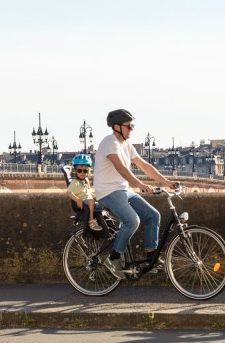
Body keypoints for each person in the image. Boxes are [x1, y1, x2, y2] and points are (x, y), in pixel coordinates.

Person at [94, 109, 177, 279]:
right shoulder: (109, 143)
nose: (131, 129)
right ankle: (114, 257)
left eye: (132, 126)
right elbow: (121, 169)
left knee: (153, 215)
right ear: (117, 127)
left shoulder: (126, 145)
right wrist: (139, 184)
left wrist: (167, 183)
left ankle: (150, 257)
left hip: (123, 191)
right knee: (132, 221)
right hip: (108, 192)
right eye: (129, 126)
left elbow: (144, 165)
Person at [66, 154, 102, 232]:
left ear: (88, 171)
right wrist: (78, 200)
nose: (82, 173)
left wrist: (96, 196)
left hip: (88, 200)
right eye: (79, 170)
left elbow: (88, 192)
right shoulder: (75, 182)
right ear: (75, 171)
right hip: (82, 202)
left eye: (85, 171)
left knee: (102, 200)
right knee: (92, 202)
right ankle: (91, 221)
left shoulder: (86, 180)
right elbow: (69, 192)